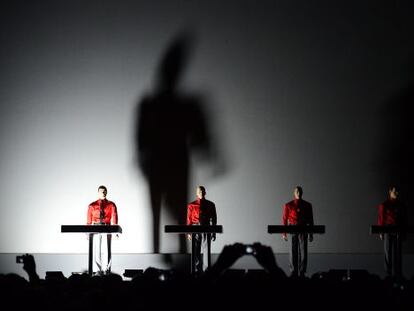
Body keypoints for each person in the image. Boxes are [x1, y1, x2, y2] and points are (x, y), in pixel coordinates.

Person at [282, 186, 314, 278]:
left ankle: (302, 271)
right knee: (293, 250)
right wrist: (284, 233)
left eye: (300, 191)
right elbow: (284, 219)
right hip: (292, 228)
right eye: (297, 191)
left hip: (303, 227)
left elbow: (310, 219)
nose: (298, 193)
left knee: (303, 250)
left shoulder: (308, 205)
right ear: (294, 193)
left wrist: (311, 233)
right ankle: (293, 271)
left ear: (302, 192)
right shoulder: (288, 205)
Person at [87, 185, 118, 275]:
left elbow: (115, 217)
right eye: (101, 191)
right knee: (97, 250)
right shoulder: (92, 205)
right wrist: (87, 233)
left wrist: (115, 231)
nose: (103, 193)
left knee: (107, 249)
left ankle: (107, 270)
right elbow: (89, 220)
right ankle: (98, 270)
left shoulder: (111, 204)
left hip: (107, 227)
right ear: (98, 192)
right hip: (96, 228)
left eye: (105, 191)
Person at [377, 185, 407, 278]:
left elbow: (404, 219)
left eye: (397, 192)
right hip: (388, 231)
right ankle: (388, 274)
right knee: (388, 254)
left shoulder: (401, 205)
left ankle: (398, 274)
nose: (396, 193)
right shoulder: (384, 205)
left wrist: (404, 232)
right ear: (390, 192)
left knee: (398, 254)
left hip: (398, 231)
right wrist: (381, 232)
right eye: (395, 191)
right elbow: (381, 219)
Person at [186, 186, 217, 274]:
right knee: (196, 251)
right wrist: (189, 233)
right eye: (199, 191)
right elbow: (189, 219)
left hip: (206, 228)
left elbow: (214, 219)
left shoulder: (211, 204)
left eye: (203, 191)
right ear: (196, 193)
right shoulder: (191, 205)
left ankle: (206, 272)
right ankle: (195, 271)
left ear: (205, 192)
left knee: (206, 251)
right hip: (195, 229)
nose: (201, 193)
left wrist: (214, 232)